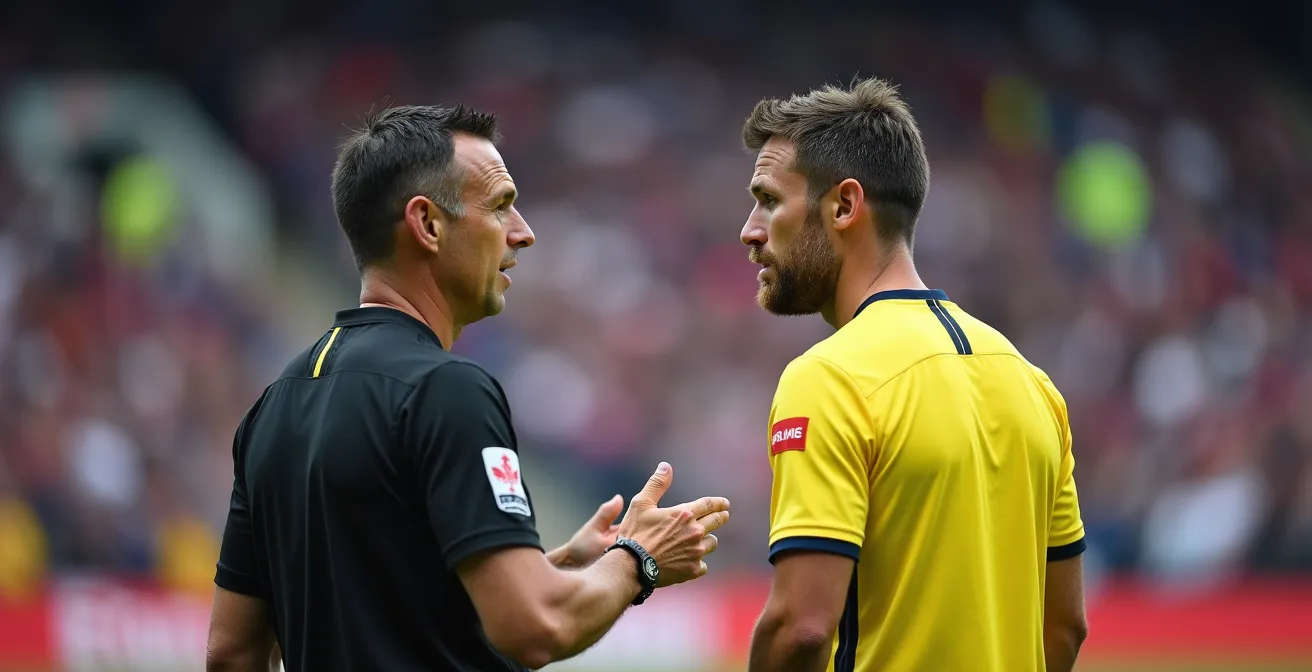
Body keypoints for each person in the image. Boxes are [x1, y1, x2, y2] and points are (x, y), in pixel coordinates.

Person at [204, 104, 730, 672]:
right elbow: (534, 626)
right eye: (501, 206)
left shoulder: (274, 404)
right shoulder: (445, 390)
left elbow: (233, 652)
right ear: (428, 224)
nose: (523, 234)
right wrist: (638, 559)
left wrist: (559, 569)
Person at [738, 78, 1089, 672]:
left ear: (845, 206)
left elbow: (800, 628)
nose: (750, 229)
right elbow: (1065, 626)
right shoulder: (1033, 385)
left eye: (770, 200)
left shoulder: (829, 379)